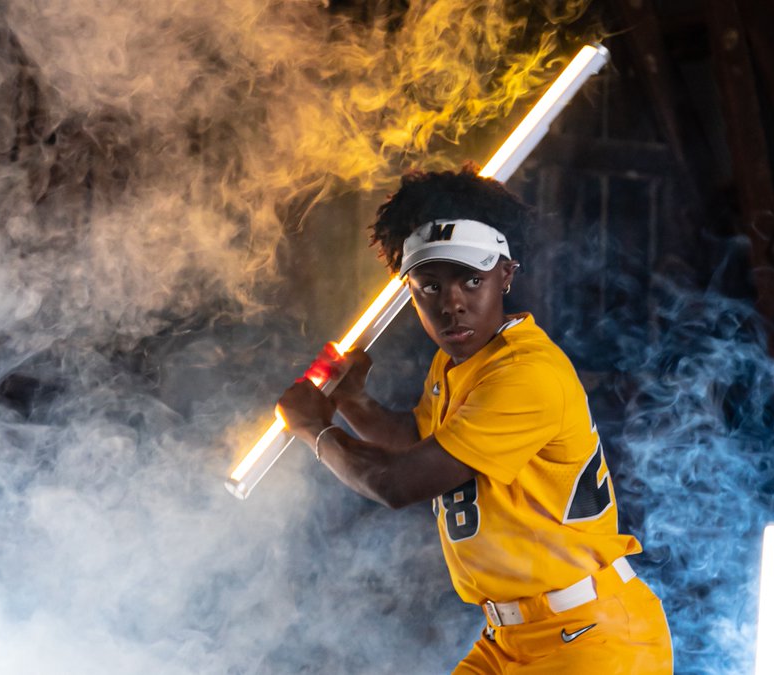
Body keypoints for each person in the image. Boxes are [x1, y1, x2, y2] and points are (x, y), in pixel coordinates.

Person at [278, 165, 672, 673]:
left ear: (506, 274)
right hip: (510, 639)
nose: (453, 305)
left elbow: (397, 483)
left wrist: (314, 427)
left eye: (472, 279)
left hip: (591, 640)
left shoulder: (526, 374)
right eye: (430, 287)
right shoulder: (460, 361)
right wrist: (352, 401)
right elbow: (416, 442)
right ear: (410, 292)